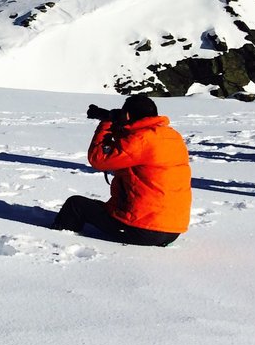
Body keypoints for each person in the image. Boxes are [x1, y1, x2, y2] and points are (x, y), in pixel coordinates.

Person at [53, 95, 191, 246]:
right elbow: (132, 150)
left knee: (75, 205)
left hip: (142, 229)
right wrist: (120, 127)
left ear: (127, 115)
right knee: (105, 208)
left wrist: (106, 124)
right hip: (172, 229)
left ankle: (59, 241)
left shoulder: (140, 140)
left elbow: (98, 160)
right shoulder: (172, 136)